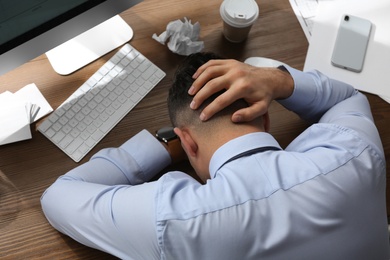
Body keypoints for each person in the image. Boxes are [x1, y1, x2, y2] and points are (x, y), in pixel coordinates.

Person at [41, 52, 389, 260]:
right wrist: (277, 80)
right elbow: (347, 99)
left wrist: (163, 147)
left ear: (187, 143)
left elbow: (57, 197)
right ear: (265, 115)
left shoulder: (175, 219)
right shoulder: (353, 151)